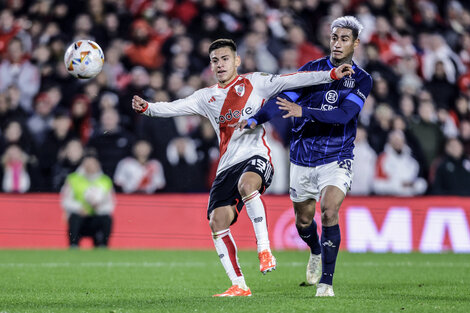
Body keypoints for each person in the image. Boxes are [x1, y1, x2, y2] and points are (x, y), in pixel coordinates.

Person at [132, 38, 353, 297]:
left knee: (247, 185)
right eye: (215, 60)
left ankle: (264, 249)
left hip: (257, 156)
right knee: (217, 221)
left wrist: (330, 74)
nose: (220, 64)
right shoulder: (206, 97)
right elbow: (174, 107)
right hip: (227, 165)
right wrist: (148, 108)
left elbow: (292, 79)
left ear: (236, 60)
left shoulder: (255, 81)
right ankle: (239, 285)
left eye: (225, 59)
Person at [235, 16, 372, 297]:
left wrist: (304, 112)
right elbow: (284, 101)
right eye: (334, 37)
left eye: (344, 39)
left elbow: (344, 114)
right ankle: (315, 250)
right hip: (302, 156)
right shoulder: (312, 71)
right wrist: (255, 120)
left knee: (330, 211)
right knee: (304, 222)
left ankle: (327, 283)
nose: (337, 43)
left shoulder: (361, 79)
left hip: (337, 156)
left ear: (355, 44)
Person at [60, 153, 115, 248]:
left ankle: (103, 246)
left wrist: (98, 208)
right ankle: (74, 245)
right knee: (74, 218)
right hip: (80, 217)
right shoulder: (73, 179)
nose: (90, 166)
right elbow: (65, 201)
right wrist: (79, 208)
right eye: (87, 163)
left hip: (96, 217)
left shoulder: (105, 181)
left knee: (107, 219)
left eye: (92, 163)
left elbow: (110, 204)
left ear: (98, 164)